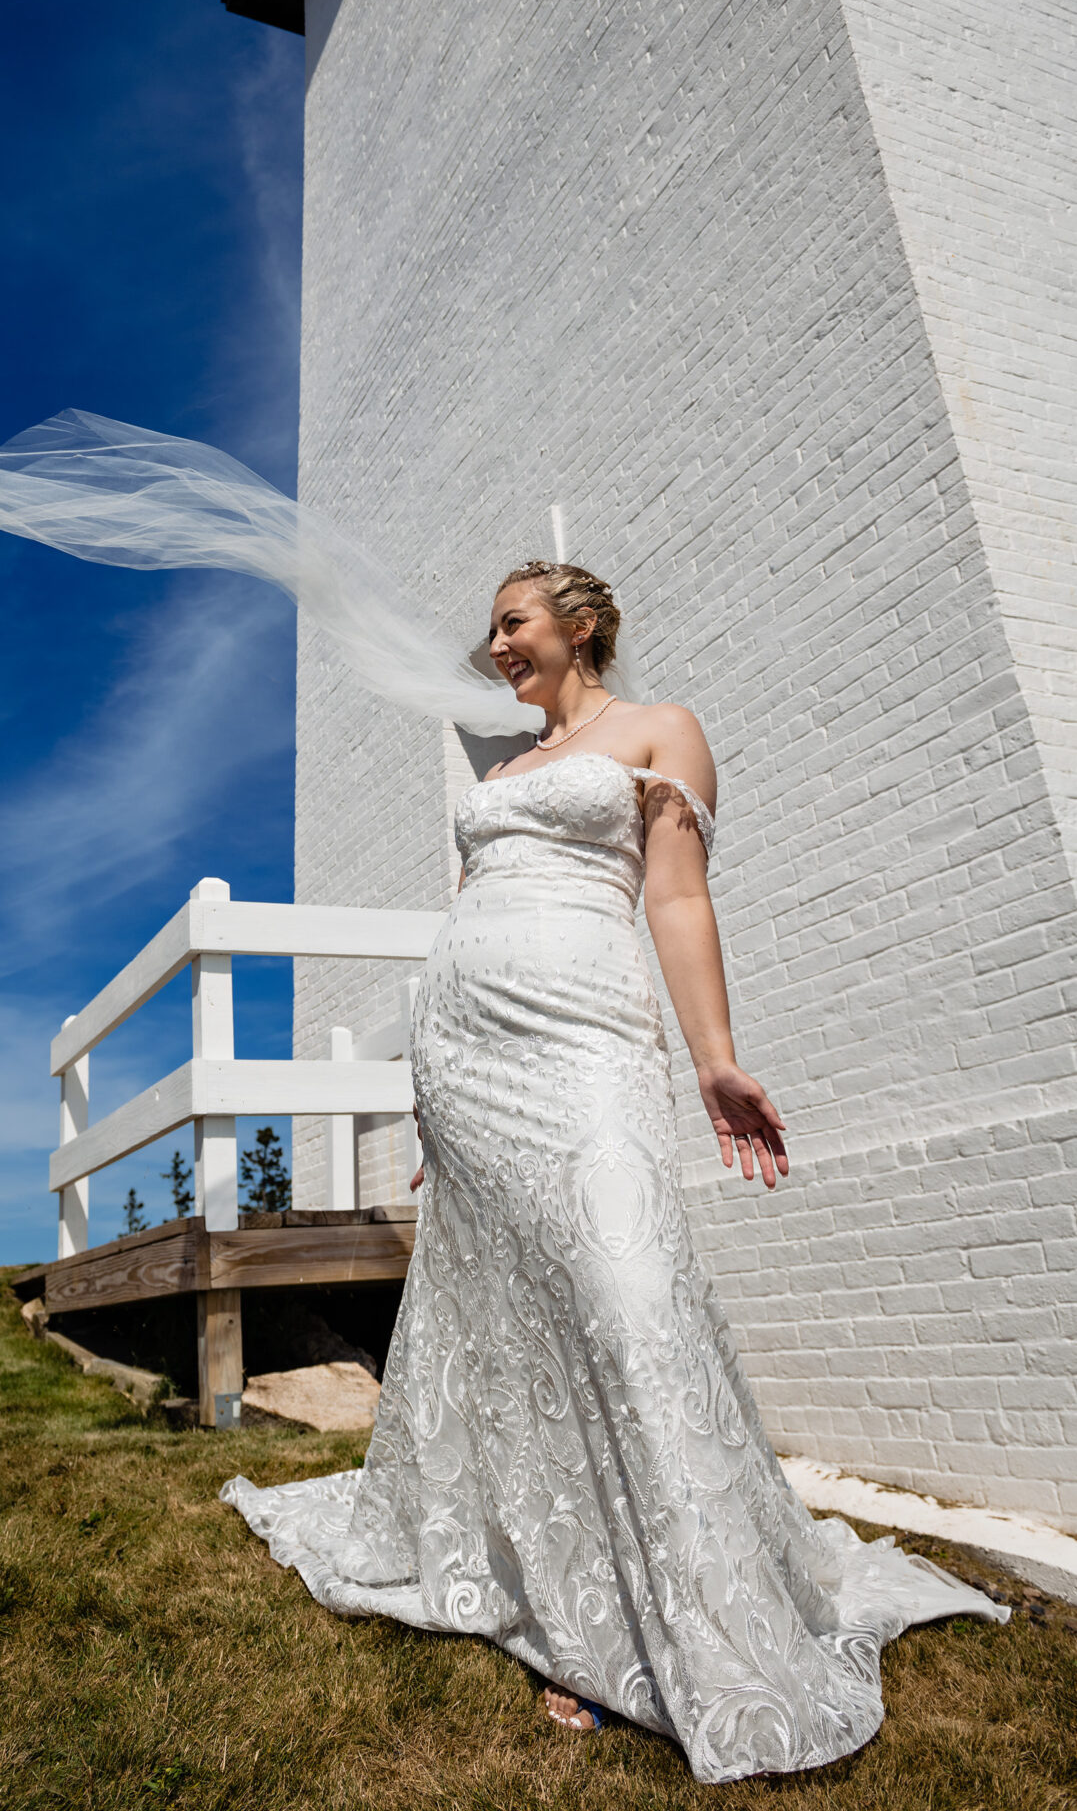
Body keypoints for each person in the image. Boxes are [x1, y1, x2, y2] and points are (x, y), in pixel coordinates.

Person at [222, 558, 1007, 1786]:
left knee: (627, 1301)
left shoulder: (659, 729)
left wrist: (716, 1059)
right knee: (521, 1326)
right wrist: (434, 1106)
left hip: (586, 1037)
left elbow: (680, 899)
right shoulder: (499, 773)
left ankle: (680, 1612)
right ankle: (562, 1597)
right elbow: (471, 911)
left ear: (579, 625)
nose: (495, 647)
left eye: (513, 622)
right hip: (469, 1062)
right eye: (490, 629)